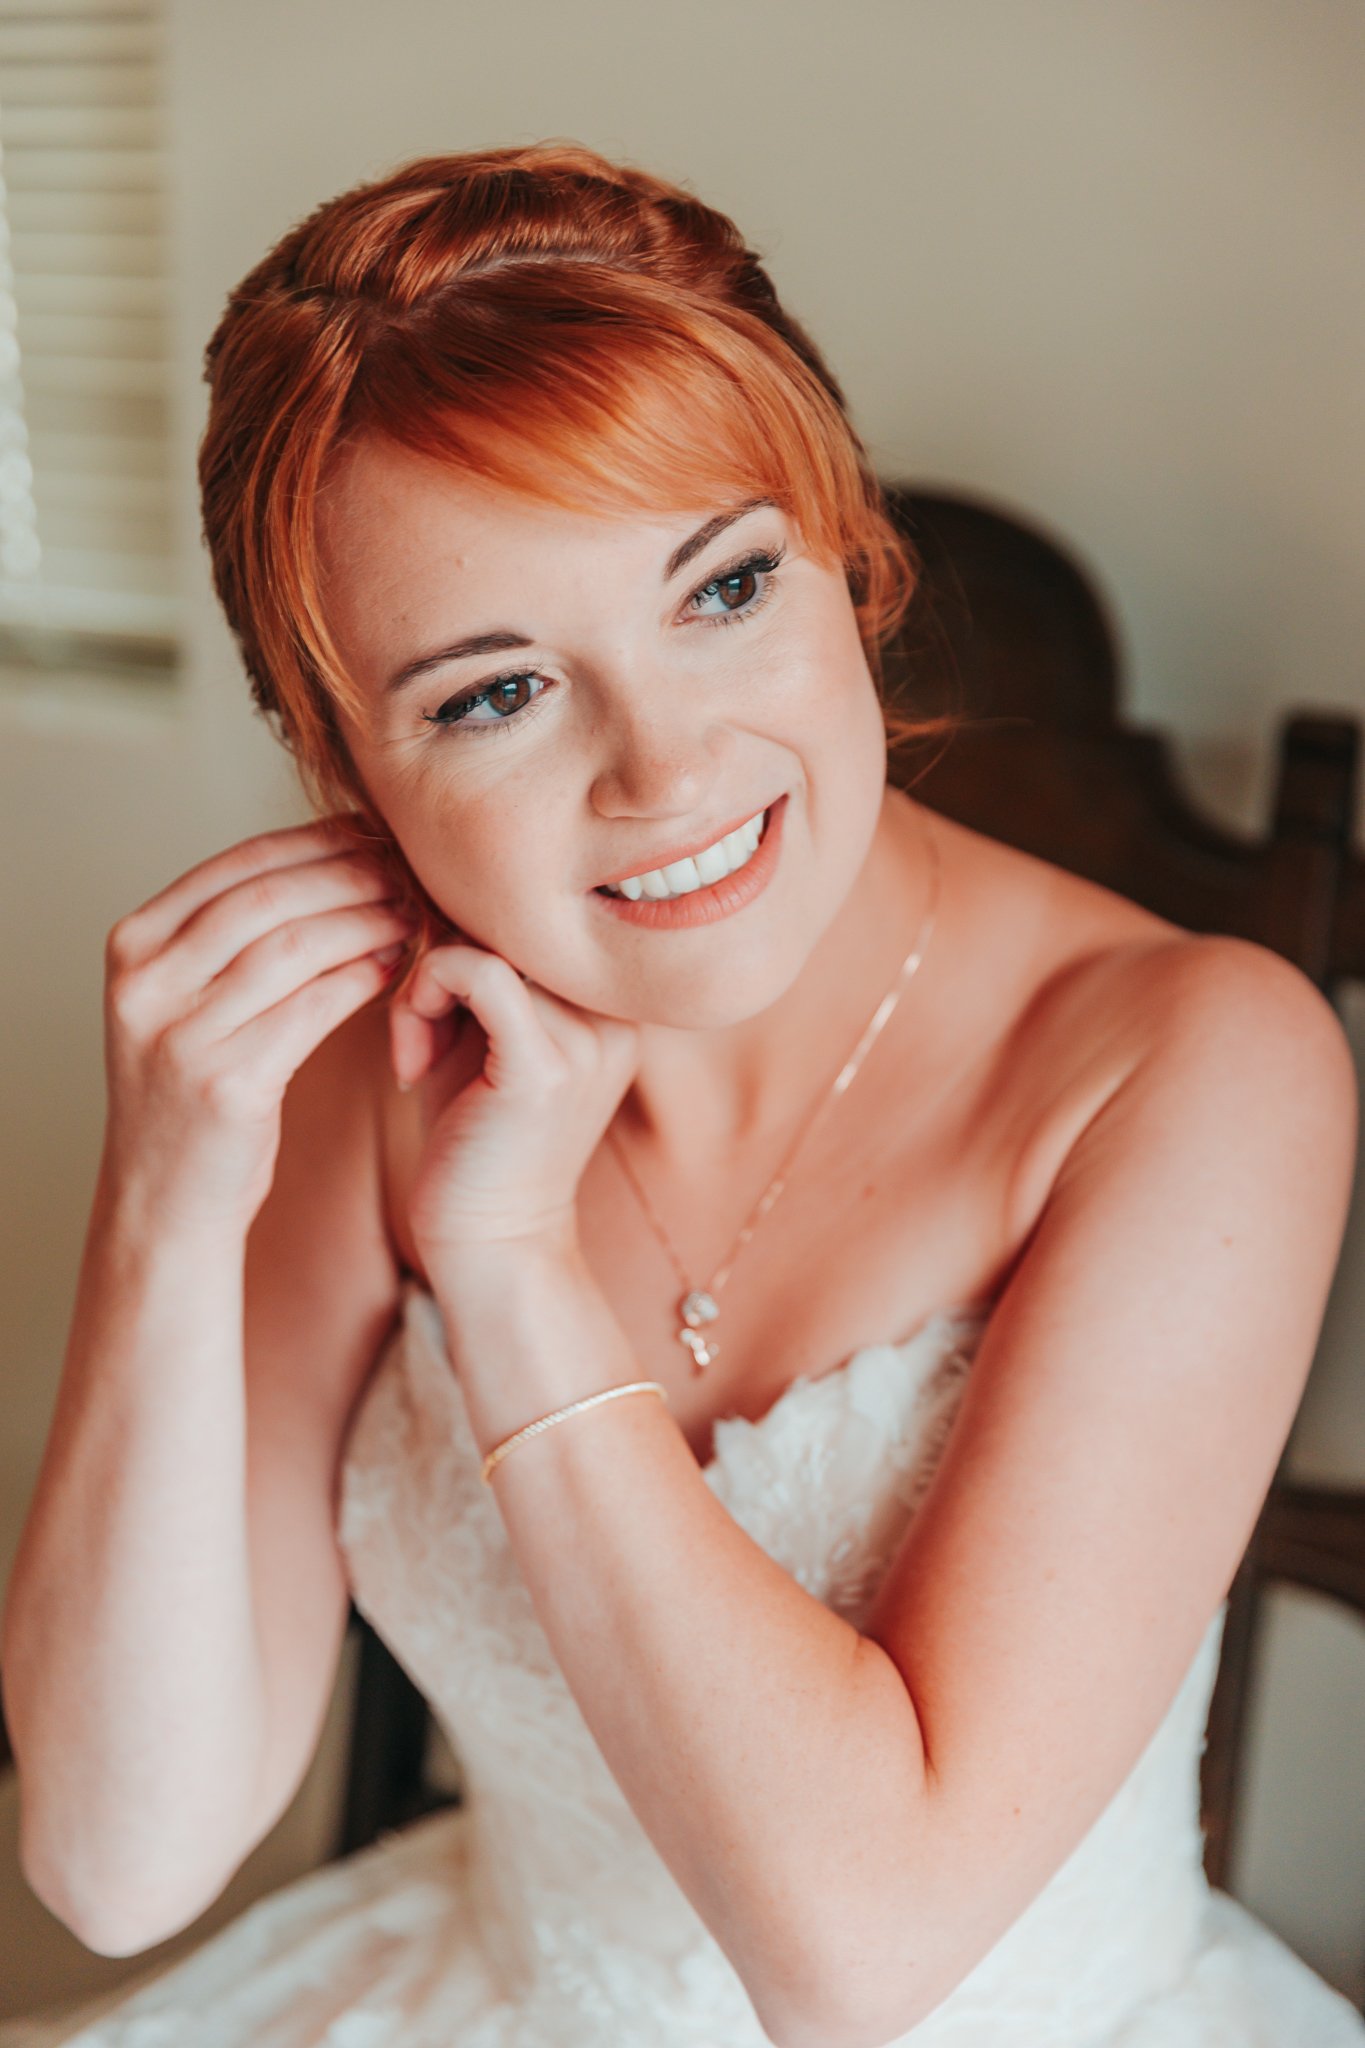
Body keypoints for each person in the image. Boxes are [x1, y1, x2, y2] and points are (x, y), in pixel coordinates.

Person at [1, 140, 1361, 2048]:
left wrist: (507, 1267)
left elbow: (859, 1959)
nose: (666, 768)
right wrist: (164, 1197)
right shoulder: (356, 1070)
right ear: (345, 780)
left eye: (722, 587)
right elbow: (120, 1859)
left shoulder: (1194, 1057)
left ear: (849, 555)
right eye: (493, 693)